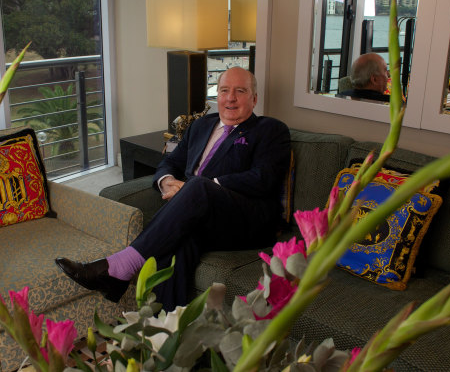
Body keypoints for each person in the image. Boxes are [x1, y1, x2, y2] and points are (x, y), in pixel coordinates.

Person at [56, 67, 291, 310]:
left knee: (197, 188)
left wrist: (200, 188)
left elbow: (263, 177)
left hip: (245, 219)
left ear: (254, 98)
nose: (230, 97)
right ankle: (167, 331)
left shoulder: (270, 130)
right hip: (197, 214)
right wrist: (166, 181)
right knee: (178, 241)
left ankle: (120, 265)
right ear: (217, 95)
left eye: (240, 91)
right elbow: (170, 162)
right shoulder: (201, 126)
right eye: (224, 90)